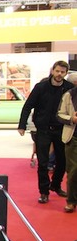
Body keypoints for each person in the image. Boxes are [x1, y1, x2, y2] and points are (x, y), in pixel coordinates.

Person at [17, 60, 74, 204]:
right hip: (43, 130)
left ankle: (55, 185)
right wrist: (22, 125)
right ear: (52, 71)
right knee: (43, 163)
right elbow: (27, 106)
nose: (59, 74)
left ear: (66, 73)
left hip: (62, 130)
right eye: (57, 71)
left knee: (62, 161)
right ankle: (44, 192)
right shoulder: (40, 87)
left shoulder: (69, 89)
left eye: (62, 72)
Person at [57, 85, 77, 212]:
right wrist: (72, 119)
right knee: (74, 170)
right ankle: (71, 201)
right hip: (73, 138)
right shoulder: (69, 95)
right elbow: (60, 115)